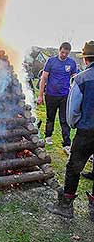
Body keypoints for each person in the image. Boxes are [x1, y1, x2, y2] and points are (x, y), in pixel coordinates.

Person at [47, 40, 94, 221]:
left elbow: (73, 110)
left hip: (87, 131)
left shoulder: (82, 79)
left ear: (85, 60)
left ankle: (66, 206)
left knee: (74, 167)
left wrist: (75, 124)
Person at [37, 42, 77, 155]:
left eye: (66, 53)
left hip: (65, 95)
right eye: (62, 52)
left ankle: (66, 143)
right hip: (50, 95)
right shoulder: (51, 61)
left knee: (64, 120)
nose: (64, 55)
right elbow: (44, 78)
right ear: (59, 50)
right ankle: (48, 136)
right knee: (50, 117)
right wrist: (40, 95)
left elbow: (75, 79)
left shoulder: (72, 63)